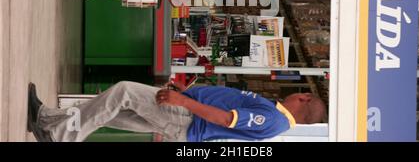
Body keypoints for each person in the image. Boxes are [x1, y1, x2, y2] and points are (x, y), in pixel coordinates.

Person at [27, 80, 326, 142]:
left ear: (304, 99)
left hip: (186, 118)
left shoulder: (273, 119)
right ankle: (47, 121)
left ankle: (61, 136)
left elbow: (225, 119)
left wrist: (182, 102)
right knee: (112, 113)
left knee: (123, 92)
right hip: (185, 119)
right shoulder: (275, 117)